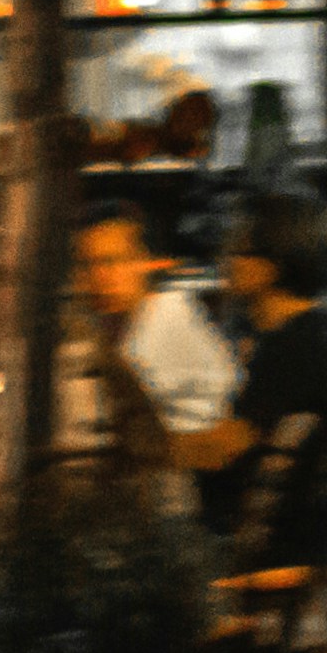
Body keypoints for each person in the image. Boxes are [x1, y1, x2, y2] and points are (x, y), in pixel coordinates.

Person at [59, 205, 242, 513]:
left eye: (112, 262)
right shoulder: (122, 326)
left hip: (183, 504)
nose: (99, 277)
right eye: (87, 265)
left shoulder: (167, 319)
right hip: (161, 492)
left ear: (145, 262)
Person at [211, 192, 327, 573]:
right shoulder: (310, 332)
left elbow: (231, 444)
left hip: (286, 555)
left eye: (240, 252)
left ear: (273, 260)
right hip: (303, 547)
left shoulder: (291, 343)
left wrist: (162, 446)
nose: (228, 263)